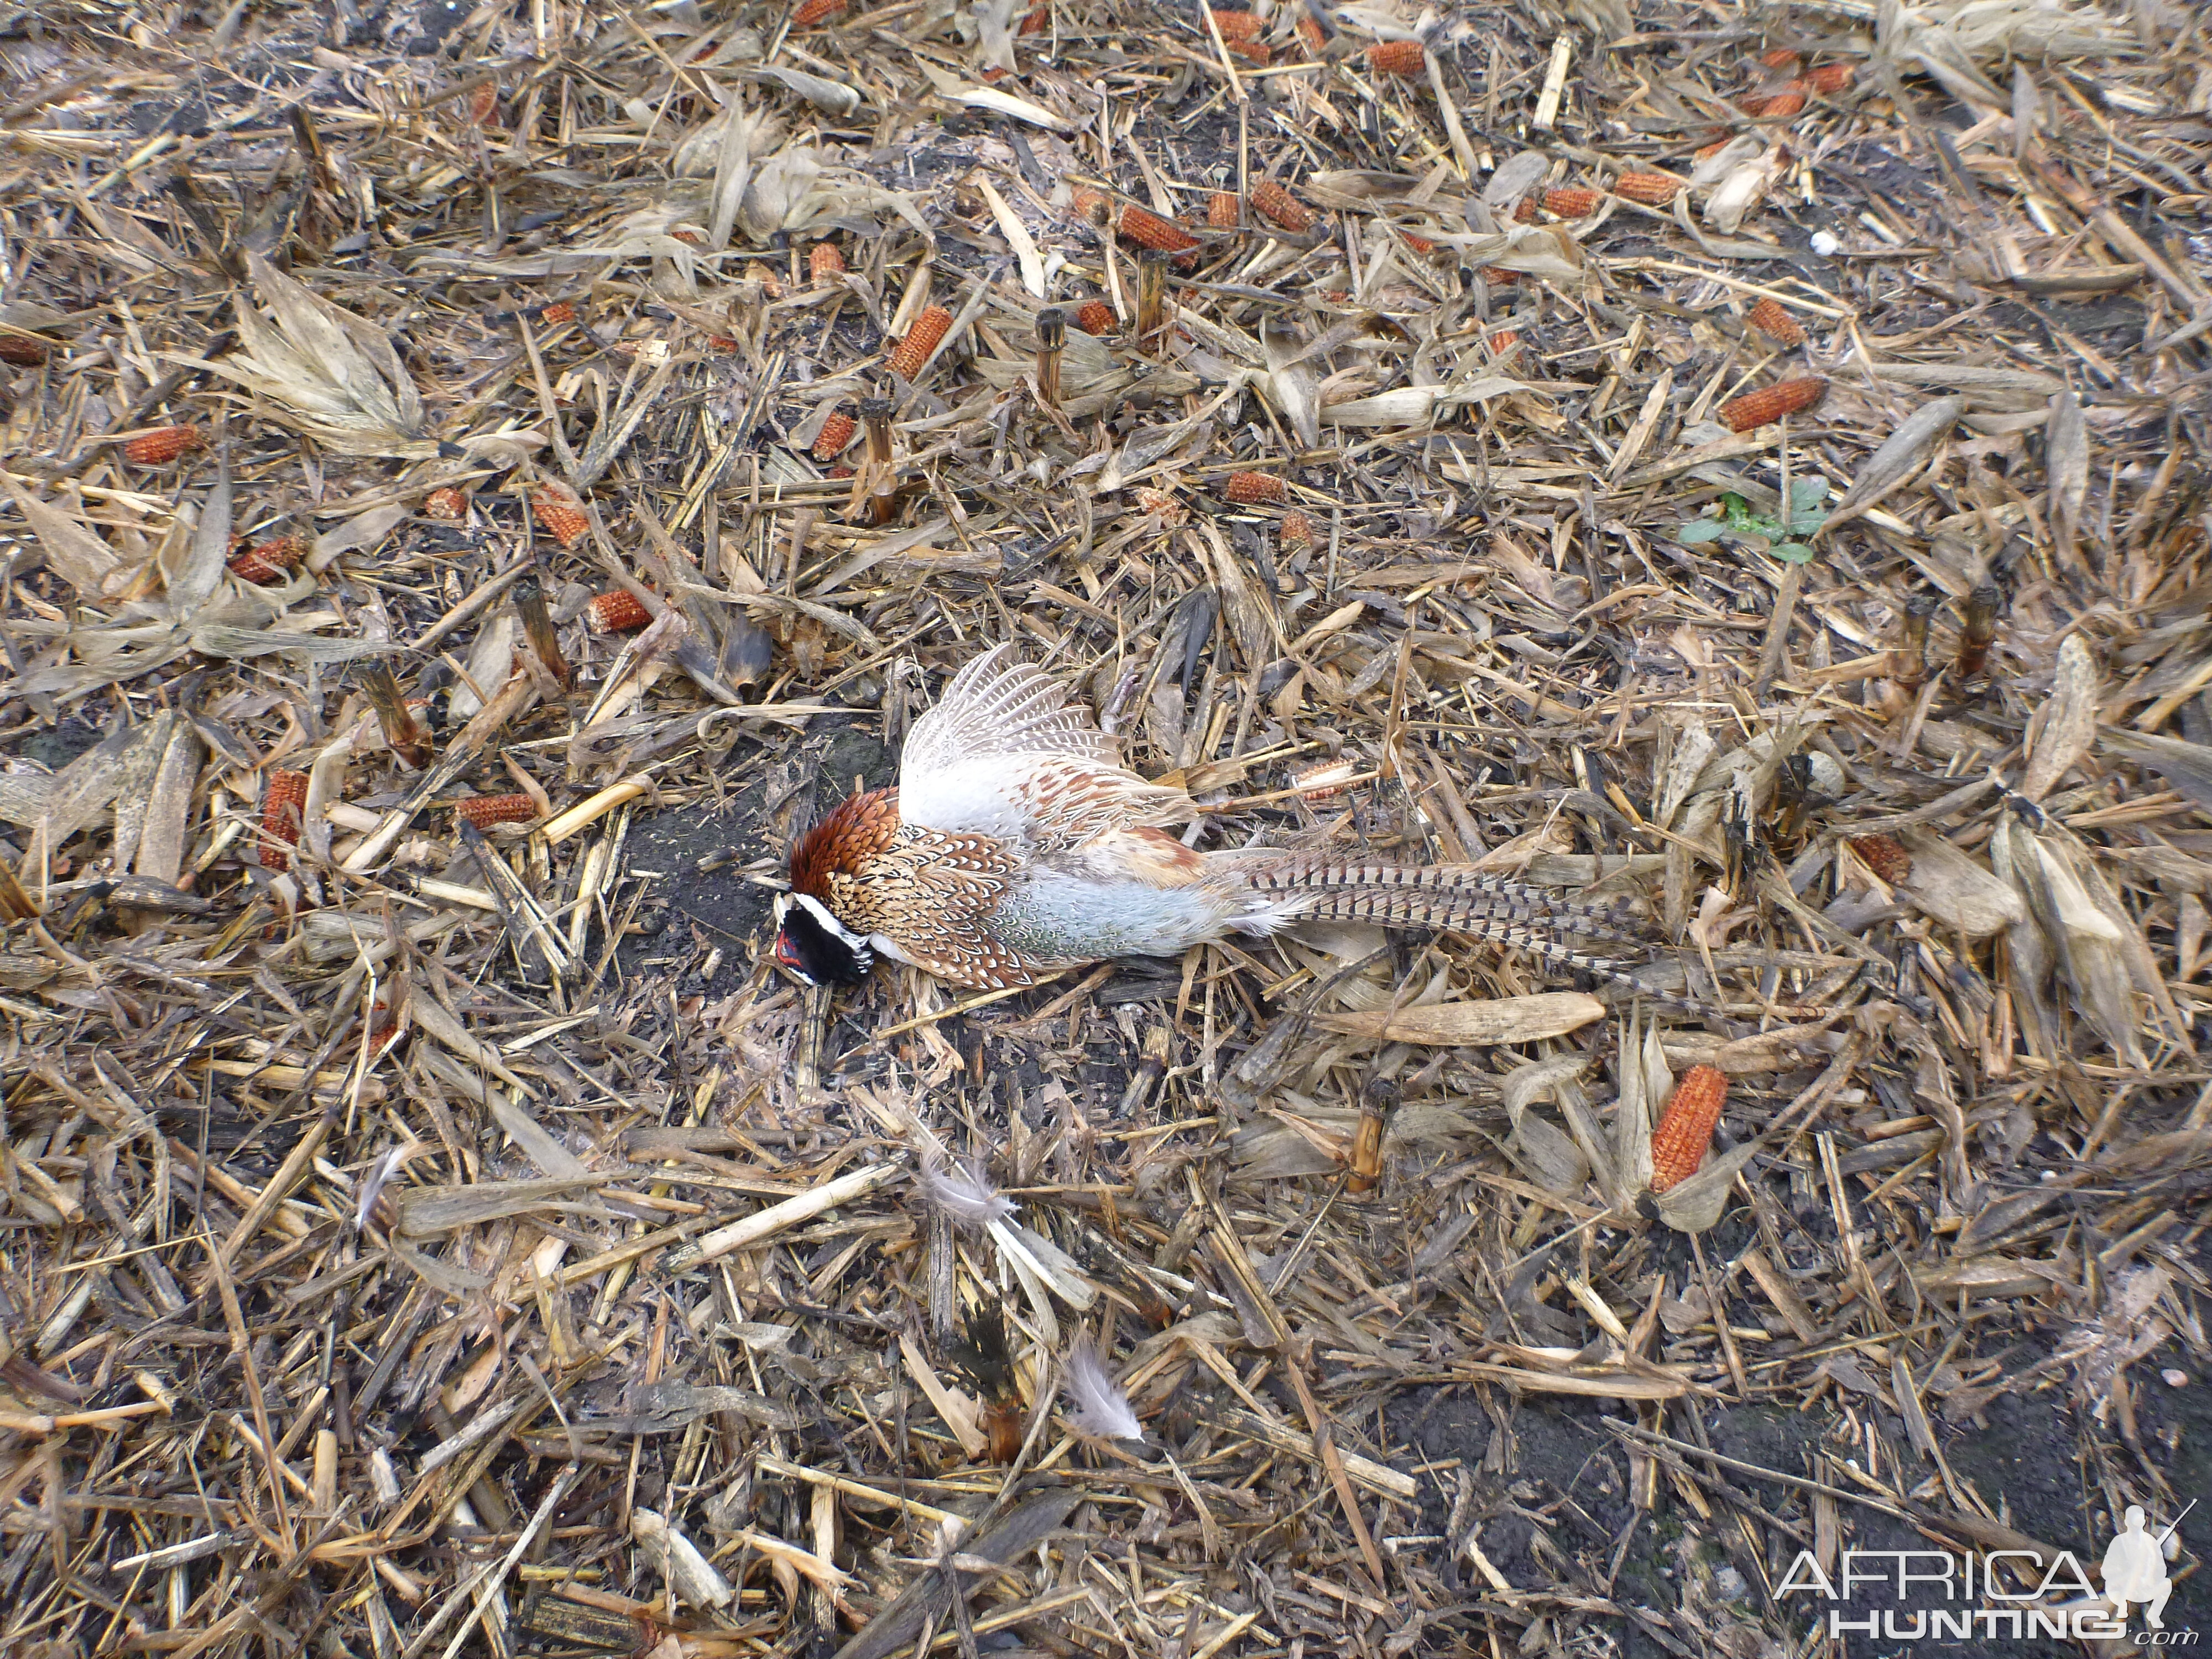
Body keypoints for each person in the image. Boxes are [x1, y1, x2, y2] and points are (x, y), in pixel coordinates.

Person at [2104, 1506, 2172, 1629]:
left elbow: (2157, 1564)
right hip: (2124, 1586)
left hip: (2144, 1586)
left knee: (2167, 1584)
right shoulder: (2123, 1540)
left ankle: (2154, 1615)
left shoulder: (2148, 1542)